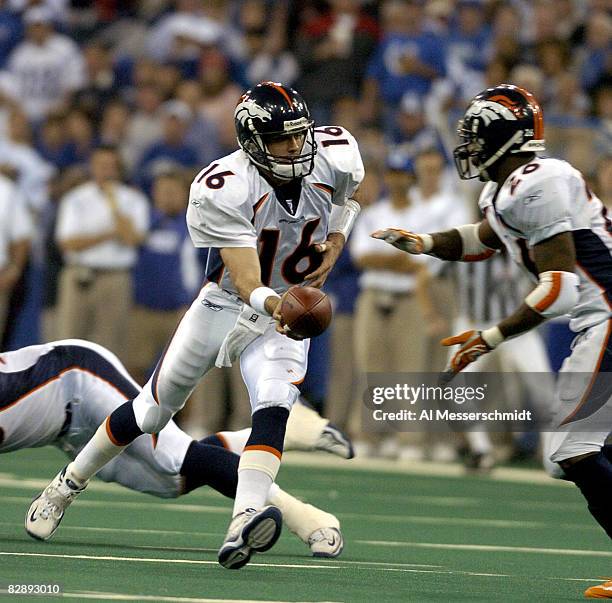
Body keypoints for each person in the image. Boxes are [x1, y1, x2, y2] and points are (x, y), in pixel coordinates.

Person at [30, 81, 364, 569]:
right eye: (280, 140)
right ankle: (66, 485)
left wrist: (336, 239)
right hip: (229, 303)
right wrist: (281, 307)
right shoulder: (226, 184)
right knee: (151, 412)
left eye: (298, 134)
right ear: (252, 145)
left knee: (274, 408)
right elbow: (247, 277)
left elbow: (347, 199)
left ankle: (243, 518)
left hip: (284, 313)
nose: (294, 146)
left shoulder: (334, 153)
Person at [373, 84, 612, 542]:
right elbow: (484, 238)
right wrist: (425, 244)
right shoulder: (509, 188)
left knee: (570, 449)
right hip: (597, 318)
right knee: (576, 449)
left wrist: (490, 336)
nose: (469, 146)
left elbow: (559, 289)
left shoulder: (537, 183)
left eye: (477, 135)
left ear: (505, 138)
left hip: (606, 315)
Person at [0, 339, 347, 558]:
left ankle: (305, 517)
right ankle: (290, 430)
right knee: (172, 483)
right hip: (62, 427)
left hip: (79, 377)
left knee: (175, 457)